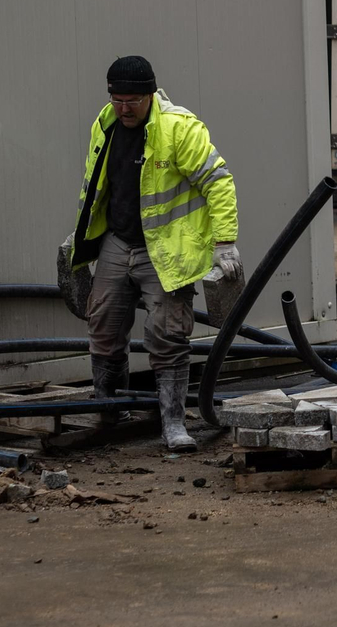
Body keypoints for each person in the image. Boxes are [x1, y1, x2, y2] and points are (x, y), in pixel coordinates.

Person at [69, 56, 242, 452]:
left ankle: (174, 423)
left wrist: (224, 242)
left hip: (166, 250)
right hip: (117, 241)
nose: (124, 108)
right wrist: (82, 233)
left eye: (132, 100)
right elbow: (97, 185)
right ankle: (111, 412)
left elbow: (219, 182)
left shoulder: (179, 129)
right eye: (117, 99)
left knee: (167, 336)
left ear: (150, 95)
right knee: (104, 327)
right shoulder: (106, 123)